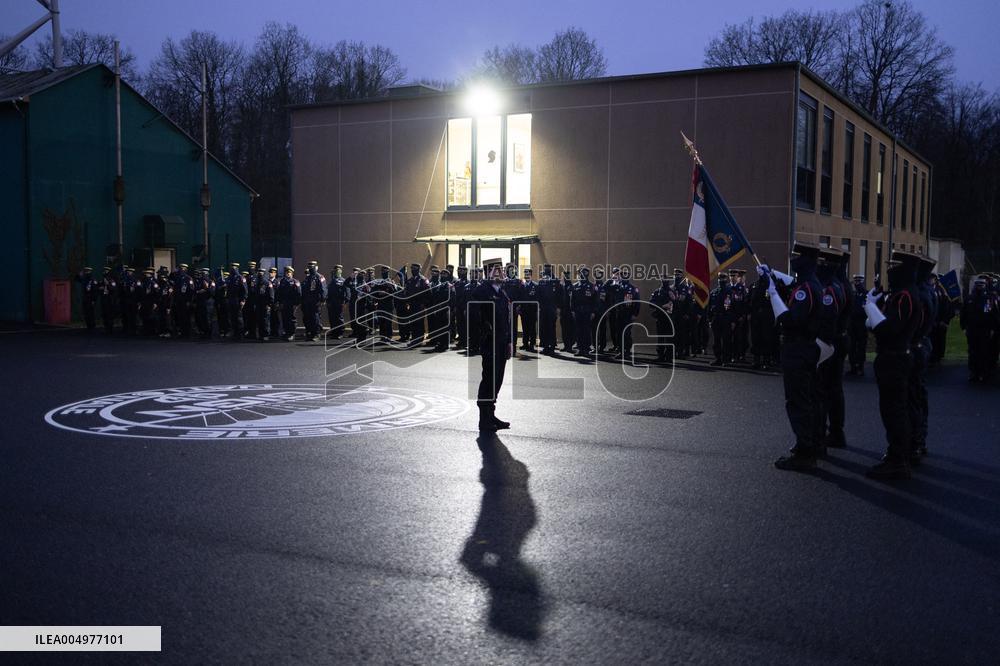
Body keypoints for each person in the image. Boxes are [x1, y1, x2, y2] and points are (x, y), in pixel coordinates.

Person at [761, 242, 828, 471]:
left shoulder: (806, 289)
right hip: (805, 349)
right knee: (805, 399)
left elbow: (790, 320)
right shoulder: (811, 285)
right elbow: (791, 284)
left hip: (798, 349)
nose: (793, 259)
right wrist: (772, 274)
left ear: (806, 261)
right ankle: (807, 445)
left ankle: (805, 451)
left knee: (798, 401)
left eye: (797, 256)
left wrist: (772, 293)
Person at [863, 255, 922, 480]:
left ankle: (899, 460)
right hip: (894, 357)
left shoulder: (904, 296)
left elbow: (889, 329)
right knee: (893, 410)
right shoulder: (902, 293)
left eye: (895, 267)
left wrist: (869, 306)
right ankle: (898, 454)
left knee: (895, 411)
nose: (890, 271)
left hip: (895, 358)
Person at [473, 261, 513, 431]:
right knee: (489, 380)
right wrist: (484, 333)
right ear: (489, 273)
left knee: (497, 381)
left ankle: (491, 415)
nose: (502, 274)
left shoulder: (502, 293)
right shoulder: (482, 291)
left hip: (502, 344)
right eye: (497, 271)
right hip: (490, 344)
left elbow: (508, 320)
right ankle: (484, 420)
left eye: (502, 271)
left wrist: (510, 342)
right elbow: (474, 315)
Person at [815, 248, 849, 451]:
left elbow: (827, 319)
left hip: (830, 342)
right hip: (840, 339)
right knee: (835, 390)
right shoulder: (842, 284)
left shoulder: (831, 287)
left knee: (824, 391)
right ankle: (836, 431)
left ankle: (823, 435)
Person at [960, 277, 993, 383]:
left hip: (985, 329)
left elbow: (993, 314)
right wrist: (963, 327)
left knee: (984, 352)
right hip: (972, 329)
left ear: (985, 286)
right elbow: (963, 313)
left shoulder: (989, 298)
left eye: (982, 285)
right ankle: (973, 372)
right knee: (972, 351)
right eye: (978, 285)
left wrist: (993, 327)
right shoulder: (969, 298)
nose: (980, 287)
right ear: (975, 286)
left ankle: (983, 373)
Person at [570, 266, 599, 357]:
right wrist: (573, 310)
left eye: (585, 273)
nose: (583, 275)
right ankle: (580, 349)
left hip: (587, 311)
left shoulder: (592, 286)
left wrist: (593, 312)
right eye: (581, 273)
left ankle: (586, 349)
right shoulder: (575, 286)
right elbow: (572, 300)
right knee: (578, 330)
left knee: (586, 330)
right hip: (578, 311)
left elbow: (595, 300)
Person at [613, 268, 640, 361]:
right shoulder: (616, 286)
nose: (624, 276)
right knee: (619, 333)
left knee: (627, 333)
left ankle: (627, 352)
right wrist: (613, 278)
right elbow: (605, 288)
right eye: (622, 274)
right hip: (618, 313)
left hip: (628, 314)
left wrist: (635, 314)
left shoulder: (633, 288)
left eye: (626, 274)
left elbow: (637, 303)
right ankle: (621, 351)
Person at [708, 273, 734, 366]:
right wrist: (710, 319)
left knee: (726, 340)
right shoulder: (714, 292)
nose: (720, 280)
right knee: (716, 340)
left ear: (725, 280)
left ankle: (726, 359)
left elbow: (732, 307)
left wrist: (731, 320)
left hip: (725, 317)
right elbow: (709, 306)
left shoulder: (729, 291)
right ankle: (718, 358)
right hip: (716, 318)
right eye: (719, 279)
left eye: (722, 279)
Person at [536, 264, 560, 355]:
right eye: (545, 268)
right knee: (544, 327)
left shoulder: (556, 280)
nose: (547, 270)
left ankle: (552, 347)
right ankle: (546, 347)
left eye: (548, 269)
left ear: (551, 269)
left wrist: (558, 307)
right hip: (543, 307)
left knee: (552, 327)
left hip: (552, 307)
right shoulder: (541, 281)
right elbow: (539, 294)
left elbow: (559, 295)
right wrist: (539, 306)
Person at [847, 274, 869, 375]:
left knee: (861, 346)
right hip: (852, 324)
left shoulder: (867, 295)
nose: (856, 284)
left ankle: (860, 367)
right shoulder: (853, 294)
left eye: (858, 282)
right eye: (855, 282)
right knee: (852, 346)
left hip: (862, 324)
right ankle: (853, 367)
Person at [301, 261, 327, 341]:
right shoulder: (308, 277)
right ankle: (311, 334)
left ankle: (317, 334)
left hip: (316, 301)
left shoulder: (319, 277)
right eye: (309, 267)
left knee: (315, 318)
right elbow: (305, 290)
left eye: (312, 267)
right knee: (309, 317)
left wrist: (322, 299)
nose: (310, 268)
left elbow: (323, 289)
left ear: (315, 267)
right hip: (308, 301)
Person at [650, 278, 674, 363]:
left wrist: (673, 299)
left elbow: (674, 304)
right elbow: (651, 303)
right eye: (663, 280)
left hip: (669, 317)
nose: (665, 282)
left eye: (666, 280)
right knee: (660, 338)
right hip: (660, 317)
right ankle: (660, 356)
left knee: (669, 338)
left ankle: (669, 357)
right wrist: (662, 306)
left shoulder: (671, 291)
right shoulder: (657, 291)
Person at [225, 263, 248, 340]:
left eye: (234, 268)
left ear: (237, 268)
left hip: (238, 299)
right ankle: (235, 332)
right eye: (232, 267)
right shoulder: (230, 278)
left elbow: (245, 290)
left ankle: (240, 334)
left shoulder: (240, 277)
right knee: (232, 317)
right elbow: (228, 290)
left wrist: (243, 300)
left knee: (239, 318)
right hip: (231, 299)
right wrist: (227, 299)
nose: (232, 269)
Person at [519, 267, 539, 352]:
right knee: (525, 327)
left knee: (532, 328)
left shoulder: (535, 285)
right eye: (525, 274)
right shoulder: (521, 285)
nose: (526, 276)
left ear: (531, 275)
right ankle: (525, 343)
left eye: (528, 274)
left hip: (532, 310)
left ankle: (532, 344)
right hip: (524, 310)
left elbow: (538, 298)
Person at [193, 268, 214, 339]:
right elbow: (196, 291)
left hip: (208, 302)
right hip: (200, 302)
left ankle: (208, 333)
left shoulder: (211, 282)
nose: (202, 275)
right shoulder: (199, 282)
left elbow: (212, 292)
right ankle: (203, 331)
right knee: (201, 317)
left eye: (203, 274)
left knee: (207, 318)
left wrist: (206, 288)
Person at [559, 270, 575, 353]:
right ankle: (566, 345)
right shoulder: (561, 286)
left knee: (569, 329)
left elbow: (572, 300)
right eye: (563, 276)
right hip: (563, 311)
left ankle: (570, 346)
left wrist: (572, 310)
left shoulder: (570, 286)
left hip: (569, 311)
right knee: (564, 329)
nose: (564, 277)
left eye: (565, 276)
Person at [98, 266, 117, 334]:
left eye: (106, 271)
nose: (105, 272)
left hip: (110, 299)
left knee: (110, 314)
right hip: (104, 298)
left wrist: (108, 284)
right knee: (104, 314)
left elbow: (113, 289)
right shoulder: (102, 280)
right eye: (104, 271)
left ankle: (110, 328)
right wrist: (101, 288)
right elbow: (98, 288)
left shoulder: (112, 280)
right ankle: (106, 327)